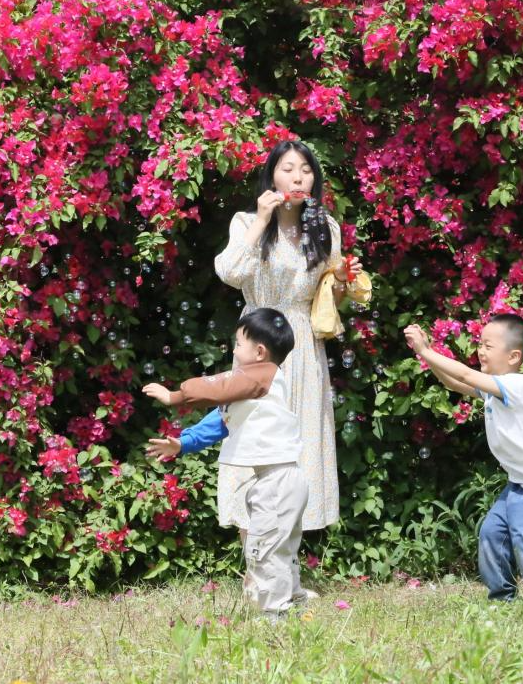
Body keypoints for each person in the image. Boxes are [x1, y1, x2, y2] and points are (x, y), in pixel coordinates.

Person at [212, 140, 362, 537]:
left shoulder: (326, 228)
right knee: (254, 444)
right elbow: (229, 272)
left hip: (304, 345)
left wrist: (341, 282)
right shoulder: (246, 223)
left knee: (299, 447)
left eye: (306, 170)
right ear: (272, 176)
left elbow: (327, 302)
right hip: (258, 341)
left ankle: (286, 559)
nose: (298, 178)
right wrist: (263, 218)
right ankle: (255, 561)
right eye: (288, 169)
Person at [143, 308, 308, 619]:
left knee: (266, 547)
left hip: (277, 479)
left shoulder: (263, 374)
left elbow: (216, 388)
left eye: (239, 344)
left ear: (259, 352)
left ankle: (274, 613)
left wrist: (175, 396)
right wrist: (182, 443)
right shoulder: (253, 390)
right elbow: (220, 421)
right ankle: (292, 599)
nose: (233, 350)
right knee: (279, 545)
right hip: (278, 479)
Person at [403, 314, 523, 602]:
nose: (480, 350)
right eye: (479, 344)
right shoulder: (494, 389)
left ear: (513, 356)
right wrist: (426, 353)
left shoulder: (517, 385)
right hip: (520, 483)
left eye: (488, 346)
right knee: (492, 534)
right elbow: (454, 383)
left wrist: (425, 351)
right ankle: (502, 598)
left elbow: (465, 375)